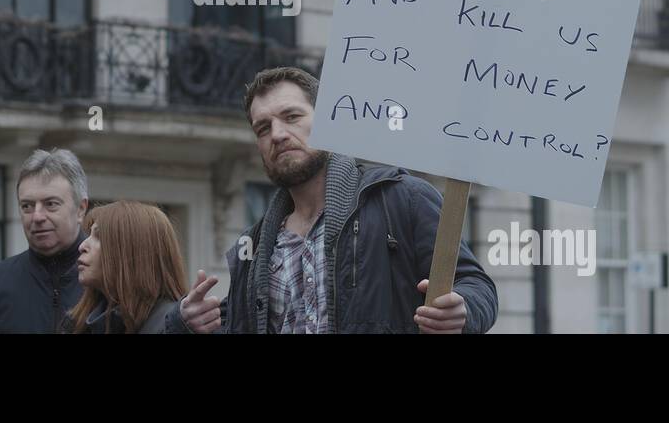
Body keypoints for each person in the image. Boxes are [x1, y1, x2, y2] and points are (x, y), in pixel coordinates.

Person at [177, 66, 498, 334]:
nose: (277, 134)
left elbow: (476, 284)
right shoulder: (255, 245)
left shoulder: (402, 198)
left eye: (291, 117)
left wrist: (464, 309)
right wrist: (186, 323)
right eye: (263, 128)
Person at [0, 149, 88, 333]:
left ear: (80, 209)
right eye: (27, 206)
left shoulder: (114, 285)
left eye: (51, 204)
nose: (37, 216)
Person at [66, 201, 187, 334]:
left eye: (99, 236)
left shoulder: (179, 326)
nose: (82, 246)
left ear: (132, 250)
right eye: (89, 235)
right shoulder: (78, 323)